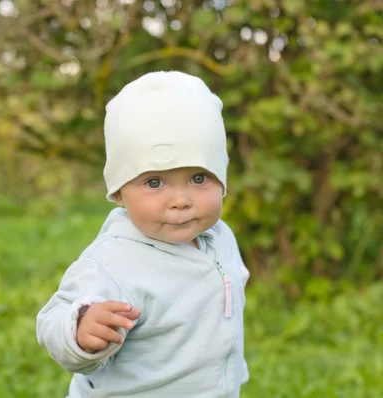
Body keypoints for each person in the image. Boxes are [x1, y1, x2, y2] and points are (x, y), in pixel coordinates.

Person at [36, 71, 250, 397]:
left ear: (222, 179)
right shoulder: (114, 260)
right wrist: (80, 328)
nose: (181, 200)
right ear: (119, 193)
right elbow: (53, 318)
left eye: (198, 177)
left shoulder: (220, 238)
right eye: (154, 182)